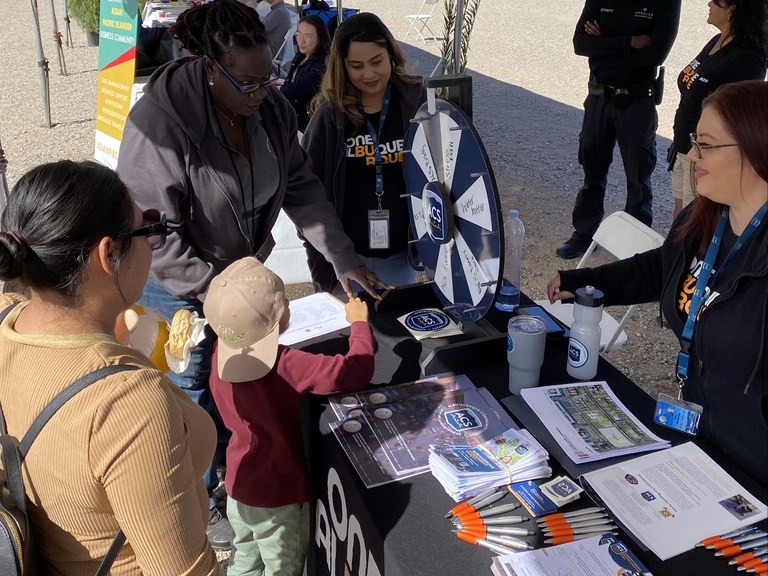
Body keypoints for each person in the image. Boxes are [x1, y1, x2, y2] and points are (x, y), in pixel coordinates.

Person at [116, 0, 381, 549]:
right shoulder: (159, 124)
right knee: (191, 393)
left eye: (270, 79)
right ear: (210, 67)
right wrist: (226, 299)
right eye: (249, 84)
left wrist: (343, 257)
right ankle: (200, 504)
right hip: (178, 286)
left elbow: (302, 186)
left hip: (236, 279)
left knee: (243, 390)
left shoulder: (271, 110)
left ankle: (236, 485)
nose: (263, 94)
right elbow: (153, 237)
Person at [0, 160, 221, 574]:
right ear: (108, 253)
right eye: (148, 230)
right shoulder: (129, 402)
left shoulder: (6, 316)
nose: (153, 241)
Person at [546, 80, 768, 480]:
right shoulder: (704, 217)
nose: (691, 155)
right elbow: (661, 269)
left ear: (756, 149)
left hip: (755, 469)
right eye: (693, 141)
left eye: (707, 144)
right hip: (701, 445)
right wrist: (587, 283)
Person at [204, 257, 374, 576]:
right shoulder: (286, 363)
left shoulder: (218, 352)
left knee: (245, 559)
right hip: (279, 495)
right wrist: (359, 325)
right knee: (284, 568)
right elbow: (357, 370)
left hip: (240, 487)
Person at [303, 12, 427, 292]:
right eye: (356, 66)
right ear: (342, 66)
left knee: (393, 331)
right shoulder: (329, 115)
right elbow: (308, 193)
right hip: (347, 260)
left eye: (376, 62)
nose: (369, 74)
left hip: (401, 256)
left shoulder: (416, 102)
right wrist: (335, 259)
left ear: (391, 56)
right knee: (354, 334)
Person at [556, 0, 682, 260]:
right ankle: (584, 233)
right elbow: (580, 44)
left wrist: (604, 44)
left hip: (636, 100)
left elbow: (656, 54)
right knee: (592, 168)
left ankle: (635, 247)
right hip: (599, 97)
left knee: (638, 175)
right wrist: (629, 42)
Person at [669, 0, 767, 220]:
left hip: (706, 157)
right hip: (685, 148)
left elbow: (738, 119)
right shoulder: (717, 41)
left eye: (716, 1)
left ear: (734, 9)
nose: (709, 4)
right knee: (680, 218)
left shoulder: (747, 58)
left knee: (695, 223)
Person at [280, 14, 331, 132]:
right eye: (299, 34)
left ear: (320, 38)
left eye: (307, 36)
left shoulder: (322, 65)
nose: (301, 40)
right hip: (292, 120)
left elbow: (294, 89)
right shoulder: (299, 57)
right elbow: (288, 84)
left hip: (308, 126)